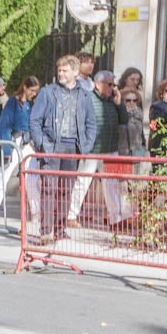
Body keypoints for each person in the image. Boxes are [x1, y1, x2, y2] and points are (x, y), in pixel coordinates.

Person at [29, 55, 98, 241]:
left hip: (73, 147)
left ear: (75, 72)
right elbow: (35, 120)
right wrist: (42, 144)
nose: (60, 73)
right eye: (59, 70)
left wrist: (86, 145)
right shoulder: (48, 92)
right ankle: (46, 231)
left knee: (66, 190)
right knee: (49, 188)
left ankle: (60, 229)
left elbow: (91, 123)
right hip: (52, 145)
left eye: (64, 70)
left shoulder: (84, 95)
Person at [67, 71, 129, 228]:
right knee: (83, 182)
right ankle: (70, 215)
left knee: (112, 185)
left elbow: (124, 121)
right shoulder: (88, 98)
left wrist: (119, 104)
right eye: (109, 84)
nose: (112, 88)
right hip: (92, 149)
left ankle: (116, 218)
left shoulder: (112, 101)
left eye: (114, 84)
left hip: (110, 148)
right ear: (98, 84)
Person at [0, 75, 40, 223]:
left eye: (36, 91)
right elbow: (4, 125)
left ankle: (36, 212)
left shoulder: (30, 104)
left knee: (32, 179)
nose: (34, 94)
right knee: (3, 175)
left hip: (28, 143)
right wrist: (7, 149)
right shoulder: (12, 103)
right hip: (14, 140)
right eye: (32, 90)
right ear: (25, 88)